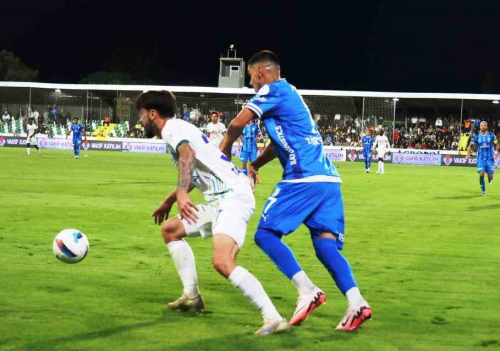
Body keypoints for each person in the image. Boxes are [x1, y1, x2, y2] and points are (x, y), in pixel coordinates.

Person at [218, 50, 372, 331]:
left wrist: (224, 150)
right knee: (325, 246)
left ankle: (307, 290)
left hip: (304, 178)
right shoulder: (290, 93)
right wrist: (255, 164)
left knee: (265, 234)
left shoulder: (273, 90)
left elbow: (237, 123)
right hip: (328, 180)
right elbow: (279, 145)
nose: (251, 83)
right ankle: (356, 302)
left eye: (251, 77)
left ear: (262, 72)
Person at [138, 91, 288, 335]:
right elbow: (198, 173)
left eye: (142, 115)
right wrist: (170, 199)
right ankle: (192, 296)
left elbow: (188, 155)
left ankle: (273, 317)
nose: (141, 120)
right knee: (171, 231)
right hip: (221, 200)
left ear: (152, 114)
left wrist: (181, 194)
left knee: (222, 261)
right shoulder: (178, 129)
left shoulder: (172, 129)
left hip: (232, 198)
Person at [468, 121, 497, 195]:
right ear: (480, 127)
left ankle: (490, 179)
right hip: (481, 158)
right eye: (481, 125)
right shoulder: (476, 136)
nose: (483, 126)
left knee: (490, 176)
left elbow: (497, 143)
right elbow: (470, 146)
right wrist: (468, 154)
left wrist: (496, 152)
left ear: (487, 127)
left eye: (484, 125)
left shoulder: (491, 135)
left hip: (490, 159)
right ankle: (483, 190)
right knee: (481, 174)